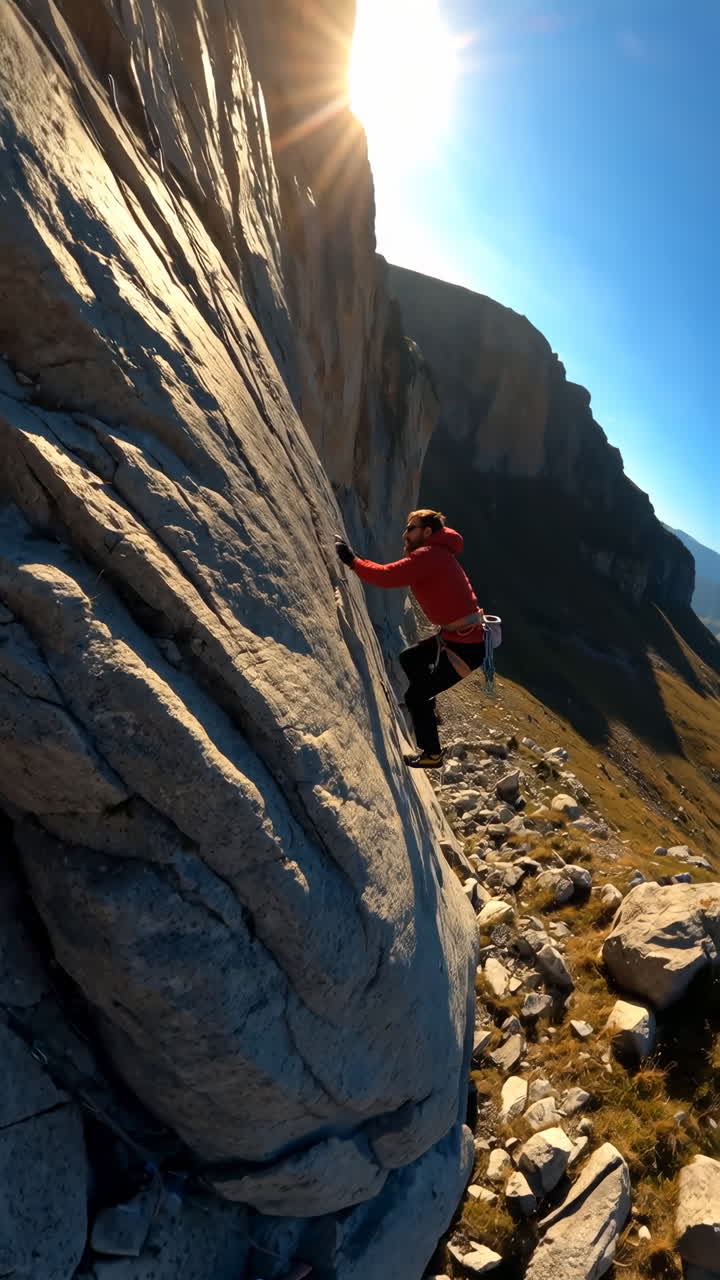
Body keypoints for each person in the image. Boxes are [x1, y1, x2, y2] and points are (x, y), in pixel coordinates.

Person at [335, 509, 485, 768]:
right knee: (410, 658)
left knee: (416, 696)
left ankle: (432, 755)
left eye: (411, 528)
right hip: (459, 639)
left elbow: (386, 576)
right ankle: (427, 701)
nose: (405, 534)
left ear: (427, 532)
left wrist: (352, 561)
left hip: (464, 647)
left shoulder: (429, 555)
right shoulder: (438, 553)